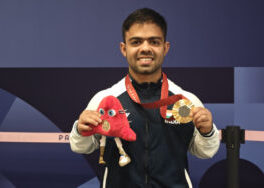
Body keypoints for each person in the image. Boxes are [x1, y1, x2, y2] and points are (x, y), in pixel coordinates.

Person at [69, 8, 220, 188]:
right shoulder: (105, 99)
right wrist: (80, 129)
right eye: (136, 42)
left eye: (154, 42)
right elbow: (80, 147)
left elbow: (205, 152)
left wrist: (207, 132)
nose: (145, 48)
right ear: (124, 49)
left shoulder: (185, 100)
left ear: (165, 48)